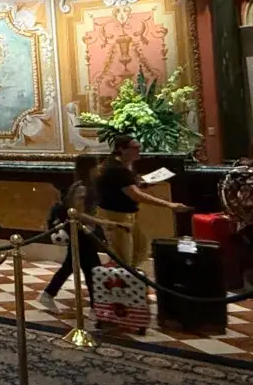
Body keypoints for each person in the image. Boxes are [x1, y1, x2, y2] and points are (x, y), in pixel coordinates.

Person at [96, 134, 189, 267]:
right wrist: (169, 205)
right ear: (122, 149)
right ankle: (120, 282)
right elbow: (135, 195)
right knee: (123, 257)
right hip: (116, 216)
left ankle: (130, 279)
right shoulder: (116, 169)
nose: (139, 150)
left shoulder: (124, 165)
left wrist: (141, 183)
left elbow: (127, 186)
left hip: (128, 215)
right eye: (135, 147)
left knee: (141, 249)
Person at [39, 155, 110, 313]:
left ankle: (48, 294)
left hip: (82, 232)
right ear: (90, 168)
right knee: (91, 269)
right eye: (96, 166)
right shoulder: (82, 187)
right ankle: (96, 306)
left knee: (74, 266)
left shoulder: (84, 185)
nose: (99, 169)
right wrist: (99, 222)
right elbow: (76, 212)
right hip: (80, 232)